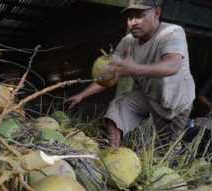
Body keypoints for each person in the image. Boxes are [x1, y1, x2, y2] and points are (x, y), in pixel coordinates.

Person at [66, 0, 195, 148]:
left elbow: (173, 65)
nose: (133, 23)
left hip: (175, 102)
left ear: (157, 13)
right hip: (148, 96)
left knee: (167, 148)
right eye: (130, 18)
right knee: (118, 107)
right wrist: (82, 95)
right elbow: (109, 75)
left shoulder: (172, 32)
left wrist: (134, 69)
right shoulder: (127, 42)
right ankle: (114, 153)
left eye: (139, 16)